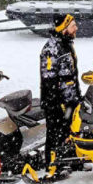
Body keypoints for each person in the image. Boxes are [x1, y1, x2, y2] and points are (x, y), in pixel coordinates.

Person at [37, 13, 81, 173]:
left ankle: (72, 161)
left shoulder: (66, 45)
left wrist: (75, 96)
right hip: (56, 101)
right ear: (64, 28)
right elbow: (48, 77)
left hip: (70, 99)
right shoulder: (52, 48)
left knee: (70, 132)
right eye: (73, 25)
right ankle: (53, 164)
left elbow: (71, 75)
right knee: (55, 132)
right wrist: (56, 101)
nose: (76, 28)